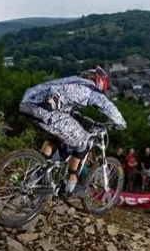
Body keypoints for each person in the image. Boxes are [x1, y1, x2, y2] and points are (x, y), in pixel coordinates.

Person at [19, 66, 126, 197]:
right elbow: (106, 105)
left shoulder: (73, 80)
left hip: (27, 103)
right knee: (84, 140)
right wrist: (120, 122)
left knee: (57, 138)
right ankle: (71, 182)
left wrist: (76, 115)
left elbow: (65, 101)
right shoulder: (92, 89)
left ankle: (38, 173)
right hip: (46, 111)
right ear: (101, 83)